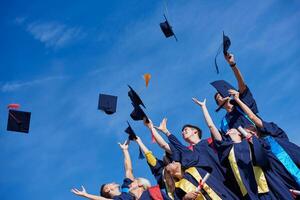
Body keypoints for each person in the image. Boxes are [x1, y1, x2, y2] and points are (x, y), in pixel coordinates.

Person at [193, 97, 294, 199]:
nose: (230, 130)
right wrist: (203, 107)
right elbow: (211, 127)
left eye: (234, 129)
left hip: (267, 186)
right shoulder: (228, 150)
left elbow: (262, 159)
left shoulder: (253, 143)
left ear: (241, 133)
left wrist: (251, 138)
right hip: (250, 193)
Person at [228, 89, 300, 189]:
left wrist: (238, 100)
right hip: (289, 184)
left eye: (251, 128)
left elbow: (253, 117)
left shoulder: (274, 134)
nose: (250, 131)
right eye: (247, 132)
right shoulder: (259, 152)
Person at [213, 53, 259, 133]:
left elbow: (242, 85)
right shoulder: (224, 122)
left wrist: (232, 64)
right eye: (218, 97)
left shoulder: (241, 103)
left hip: (262, 136)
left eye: (221, 93)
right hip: (246, 144)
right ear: (219, 105)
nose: (220, 95)